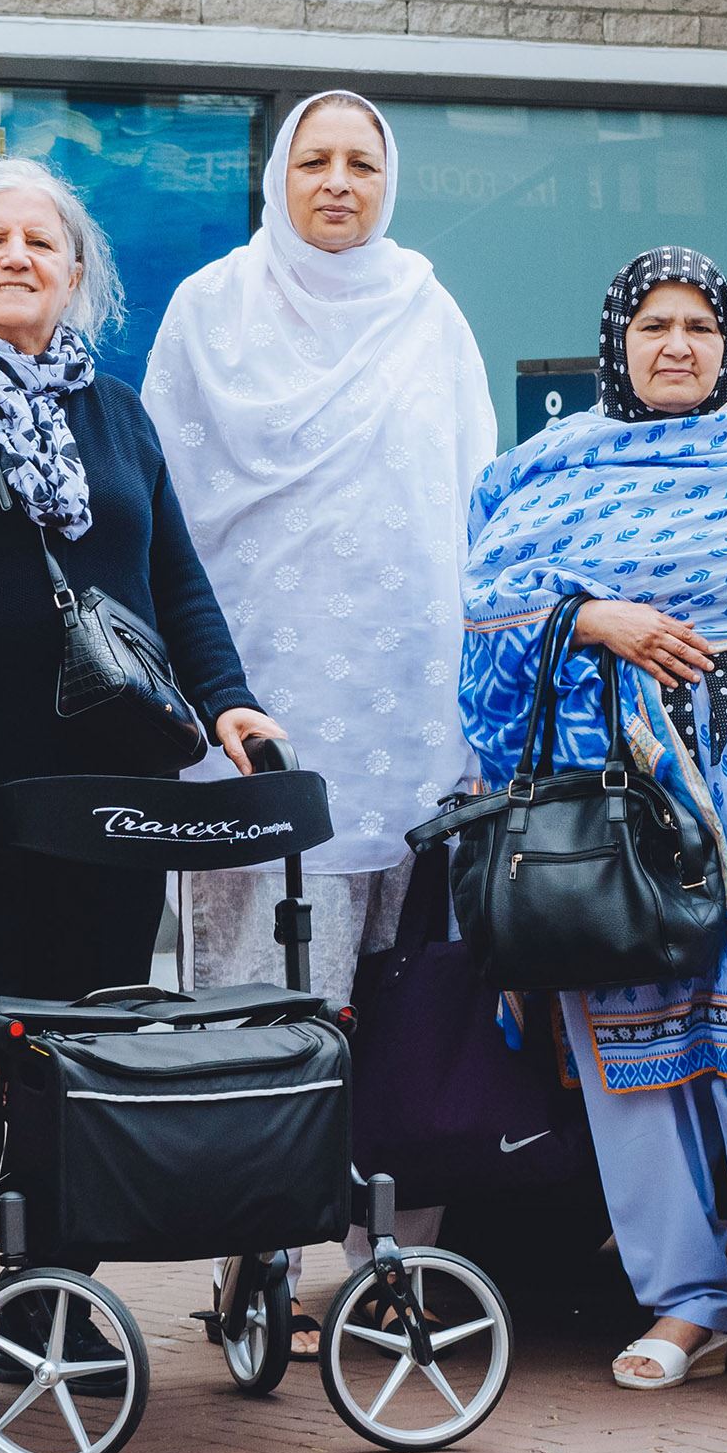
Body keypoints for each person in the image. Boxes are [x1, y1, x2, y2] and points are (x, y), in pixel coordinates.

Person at [0, 155, 283, 1343]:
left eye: (42, 242)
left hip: (110, 797)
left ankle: (56, 1294)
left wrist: (229, 703)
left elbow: (175, 580)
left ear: (78, 273)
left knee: (86, 1035)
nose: (17, 258)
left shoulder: (118, 414)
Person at [462, 247, 727, 1419]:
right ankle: (685, 1305)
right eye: (653, 323)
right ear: (618, 340)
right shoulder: (544, 473)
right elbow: (487, 613)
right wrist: (592, 616)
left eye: (699, 325)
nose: (676, 345)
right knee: (636, 1062)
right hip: (616, 804)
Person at [148, 91, 498, 1003]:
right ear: (278, 176)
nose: (338, 185)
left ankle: (371, 1142)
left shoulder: (432, 314)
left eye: (362, 165)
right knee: (256, 984)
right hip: (252, 688)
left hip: (405, 690)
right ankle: (253, 1140)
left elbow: (474, 506)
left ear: (390, 183)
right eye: (315, 163)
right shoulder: (208, 309)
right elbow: (161, 511)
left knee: (397, 986)